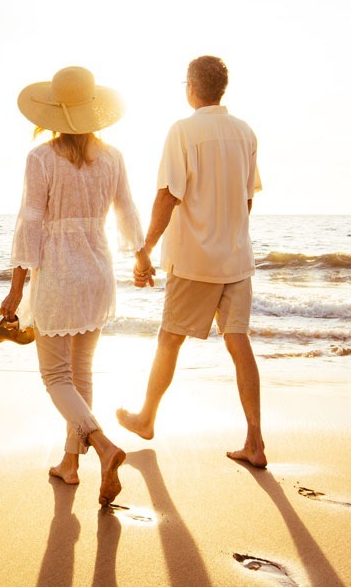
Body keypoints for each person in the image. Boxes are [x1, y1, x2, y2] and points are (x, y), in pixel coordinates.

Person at [1, 65, 145, 506]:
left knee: (56, 376)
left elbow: (31, 223)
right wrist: (140, 256)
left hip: (61, 273)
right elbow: (126, 210)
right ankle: (70, 463)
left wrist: (15, 288)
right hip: (98, 270)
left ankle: (102, 445)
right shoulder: (113, 157)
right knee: (81, 372)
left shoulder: (42, 158)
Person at [118, 55, 267, 467]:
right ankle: (255, 441)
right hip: (236, 260)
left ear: (191, 87)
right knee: (239, 345)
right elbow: (247, 199)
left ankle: (147, 418)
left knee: (170, 339)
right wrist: (231, 236)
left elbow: (168, 195)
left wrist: (145, 251)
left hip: (195, 261)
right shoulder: (245, 133)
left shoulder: (182, 131)